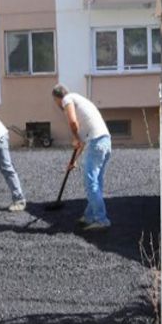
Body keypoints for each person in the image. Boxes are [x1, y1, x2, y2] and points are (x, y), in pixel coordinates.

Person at [52, 84, 111, 230]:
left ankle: (101, 220)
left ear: (57, 98)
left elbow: (72, 123)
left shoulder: (67, 99)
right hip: (105, 141)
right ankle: (90, 216)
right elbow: (82, 142)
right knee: (96, 183)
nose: (58, 105)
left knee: (91, 183)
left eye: (55, 101)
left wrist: (75, 137)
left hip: (97, 143)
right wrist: (74, 161)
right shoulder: (82, 105)